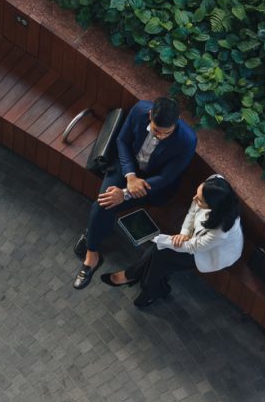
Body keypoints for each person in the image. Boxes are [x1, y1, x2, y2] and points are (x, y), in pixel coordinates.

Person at [72, 97, 197, 290]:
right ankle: (92, 254)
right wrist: (129, 176)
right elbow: (122, 140)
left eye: (167, 133)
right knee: (103, 203)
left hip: (153, 183)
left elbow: (166, 177)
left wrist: (124, 193)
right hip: (126, 167)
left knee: (104, 205)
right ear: (150, 116)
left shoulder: (187, 140)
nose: (160, 137)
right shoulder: (140, 110)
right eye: (156, 131)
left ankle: (92, 237)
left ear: (177, 121)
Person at [100, 174, 243, 307]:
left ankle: (133, 276)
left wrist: (160, 240)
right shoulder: (214, 181)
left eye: (200, 200)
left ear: (213, 207)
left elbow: (194, 247)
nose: (194, 199)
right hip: (193, 240)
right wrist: (184, 233)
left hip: (208, 253)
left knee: (160, 253)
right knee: (160, 255)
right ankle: (148, 287)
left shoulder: (221, 230)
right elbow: (192, 211)